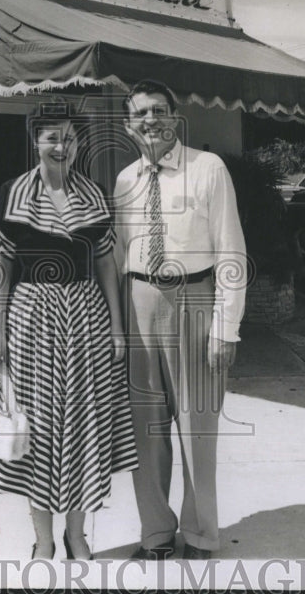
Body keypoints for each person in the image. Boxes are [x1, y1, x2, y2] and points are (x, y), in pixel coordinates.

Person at [0, 101, 138, 561]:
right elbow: (0, 269)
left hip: (86, 320)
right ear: (35, 142)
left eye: (70, 137)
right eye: (52, 136)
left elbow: (106, 267)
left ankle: (77, 535)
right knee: (33, 428)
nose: (62, 145)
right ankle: (44, 539)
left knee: (81, 425)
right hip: (30, 319)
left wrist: (117, 329)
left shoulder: (93, 194)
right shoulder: (12, 193)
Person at [114, 80, 247, 561]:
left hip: (194, 298)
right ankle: (154, 533)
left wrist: (225, 325)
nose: (150, 120)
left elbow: (232, 249)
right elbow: (116, 254)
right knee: (144, 428)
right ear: (129, 126)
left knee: (197, 428)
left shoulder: (208, 169)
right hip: (138, 301)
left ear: (175, 117)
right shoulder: (126, 179)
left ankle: (199, 534)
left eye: (158, 111)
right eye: (140, 114)